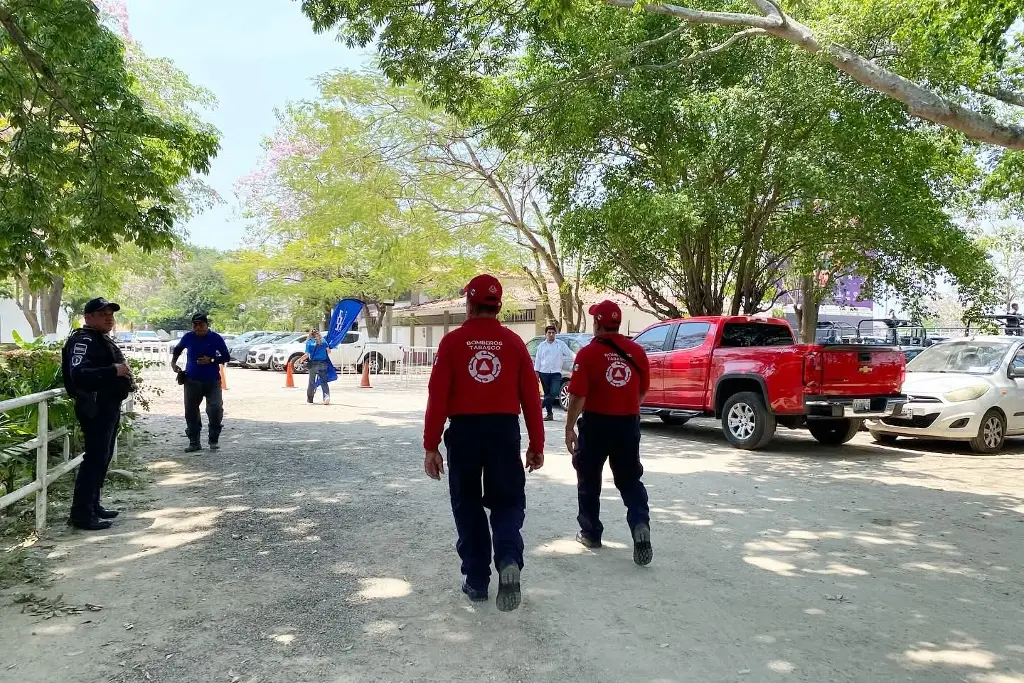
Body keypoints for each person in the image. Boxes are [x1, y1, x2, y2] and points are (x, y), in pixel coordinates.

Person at [423, 274, 545, 612]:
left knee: (468, 505)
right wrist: (537, 443)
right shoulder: (515, 343)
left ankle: (476, 581)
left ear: (468, 305)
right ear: (499, 307)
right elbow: (531, 400)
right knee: (507, 501)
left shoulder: (452, 343)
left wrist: (431, 445)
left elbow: (438, 396)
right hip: (504, 431)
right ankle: (507, 557)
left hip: (464, 432)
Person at [564, 300, 653, 566]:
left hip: (596, 424)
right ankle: (639, 523)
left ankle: (590, 533)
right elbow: (642, 391)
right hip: (627, 424)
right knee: (630, 480)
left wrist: (569, 427)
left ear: (597, 324)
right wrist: (626, 409)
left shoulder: (588, 354)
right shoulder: (637, 351)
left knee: (589, 479)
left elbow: (578, 395)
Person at [62, 298, 133, 531]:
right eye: (103, 314)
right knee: (94, 460)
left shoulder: (99, 338)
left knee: (103, 457)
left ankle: (93, 505)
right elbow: (79, 373)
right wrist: (114, 370)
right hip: (94, 407)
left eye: (111, 314)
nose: (109, 317)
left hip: (107, 405)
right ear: (88, 317)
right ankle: (82, 514)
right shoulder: (83, 340)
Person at [171, 313, 230, 453]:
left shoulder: (215, 338)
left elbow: (226, 356)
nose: (197, 327)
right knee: (191, 411)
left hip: (212, 381)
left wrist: (211, 360)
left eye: (201, 324)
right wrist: (173, 363)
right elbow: (178, 349)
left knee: (215, 409)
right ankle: (194, 442)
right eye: (194, 324)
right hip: (192, 380)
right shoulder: (188, 337)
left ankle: (213, 439)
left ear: (207, 325)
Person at [534, 324, 574, 421]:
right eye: (549, 333)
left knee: (555, 392)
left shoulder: (560, 344)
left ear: (555, 334)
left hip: (556, 372)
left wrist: (578, 360)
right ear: (546, 334)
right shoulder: (541, 346)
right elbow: (538, 360)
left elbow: (570, 354)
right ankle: (549, 414)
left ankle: (540, 406)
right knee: (547, 393)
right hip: (544, 372)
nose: (551, 334)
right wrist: (537, 373)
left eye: (553, 333)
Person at [299, 328, 332, 405]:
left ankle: (310, 399)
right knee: (324, 381)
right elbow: (329, 351)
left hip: (313, 364)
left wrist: (300, 360)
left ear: (310, 335)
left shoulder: (309, 342)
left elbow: (306, 355)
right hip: (323, 363)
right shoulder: (323, 341)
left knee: (311, 382)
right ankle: (326, 396)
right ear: (319, 334)